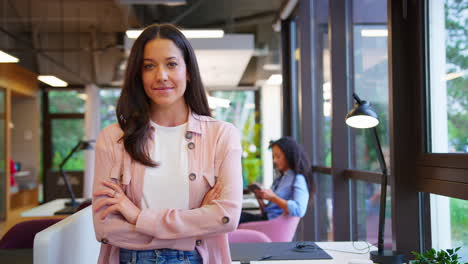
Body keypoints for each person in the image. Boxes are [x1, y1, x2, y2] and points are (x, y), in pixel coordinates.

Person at [91, 23, 243, 264]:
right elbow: (106, 229)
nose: (161, 75)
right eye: (149, 66)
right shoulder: (113, 139)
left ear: (188, 71)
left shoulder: (222, 136)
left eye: (171, 64)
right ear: (138, 75)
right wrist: (194, 226)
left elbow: (226, 218)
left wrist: (138, 216)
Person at [240, 137, 311, 224]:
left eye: (278, 156)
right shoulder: (280, 178)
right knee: (235, 216)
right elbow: (269, 212)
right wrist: (260, 198)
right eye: (273, 156)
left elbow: (299, 210)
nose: (274, 160)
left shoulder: (298, 178)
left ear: (289, 155)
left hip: (272, 225)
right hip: (267, 220)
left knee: (235, 218)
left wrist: (273, 197)